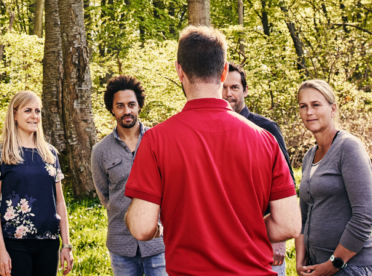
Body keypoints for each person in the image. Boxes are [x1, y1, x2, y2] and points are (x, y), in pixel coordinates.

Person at [124, 26, 300, 276]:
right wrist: (246, 231)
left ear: (179, 71)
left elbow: (142, 227)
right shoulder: (265, 139)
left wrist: (137, 220)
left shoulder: (155, 140)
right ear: (224, 70)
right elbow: (289, 224)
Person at [294, 81, 372, 276]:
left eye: (316, 105)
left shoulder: (348, 148)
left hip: (351, 268)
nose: (309, 112)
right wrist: (300, 261)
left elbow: (364, 216)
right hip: (316, 267)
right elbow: (303, 215)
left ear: (333, 109)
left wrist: (333, 264)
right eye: (303, 106)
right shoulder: (309, 155)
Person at [0, 90, 75, 276]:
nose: (34, 116)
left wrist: (66, 244)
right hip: (15, 243)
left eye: (38, 111)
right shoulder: (0, 154)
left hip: (49, 242)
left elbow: (59, 202)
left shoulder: (50, 154)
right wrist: (0, 250)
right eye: (28, 110)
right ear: (14, 115)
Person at [224, 62, 295, 275]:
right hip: (225, 243)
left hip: (263, 242)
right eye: (223, 87)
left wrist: (279, 239)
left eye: (234, 87)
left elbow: (286, 186)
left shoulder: (266, 129)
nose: (228, 94)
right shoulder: (212, 131)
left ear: (245, 90)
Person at [91, 75, 166, 276]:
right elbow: (105, 196)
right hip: (121, 246)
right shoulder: (100, 151)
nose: (127, 111)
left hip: (158, 244)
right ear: (112, 109)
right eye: (120, 106)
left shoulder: (158, 141)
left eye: (131, 104)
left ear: (139, 106)